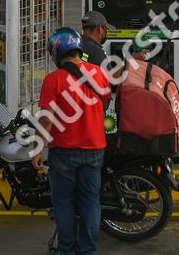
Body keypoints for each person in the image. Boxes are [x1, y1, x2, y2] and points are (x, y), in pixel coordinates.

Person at [33, 28, 110, 255]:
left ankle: (66, 250)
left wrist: (37, 148)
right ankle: (87, 250)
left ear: (56, 52)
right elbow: (105, 104)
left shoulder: (53, 80)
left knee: (63, 203)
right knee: (90, 201)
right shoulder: (98, 73)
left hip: (63, 151)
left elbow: (47, 119)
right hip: (95, 148)